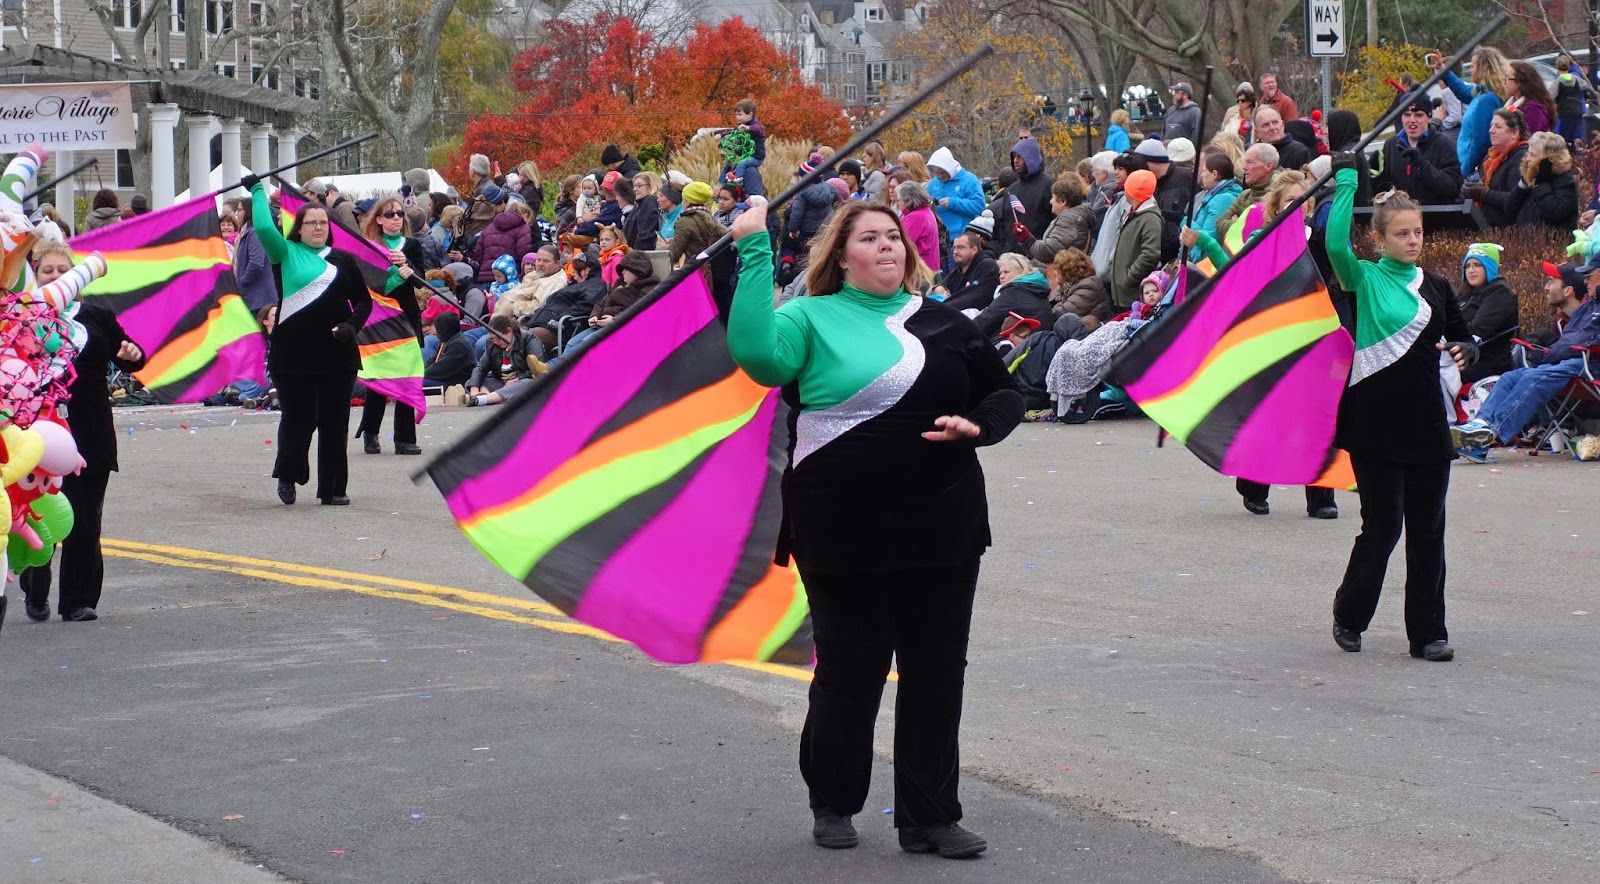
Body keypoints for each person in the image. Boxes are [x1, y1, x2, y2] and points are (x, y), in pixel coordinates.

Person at [726, 197, 1022, 859]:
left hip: (943, 521)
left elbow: (1003, 392)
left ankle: (929, 817)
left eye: (893, 236)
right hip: (841, 523)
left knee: (936, 671)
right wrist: (752, 247)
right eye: (869, 238)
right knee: (851, 669)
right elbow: (758, 358)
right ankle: (833, 801)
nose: (887, 246)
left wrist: (980, 425)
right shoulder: (808, 317)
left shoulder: (945, 321)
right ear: (841, 256)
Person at [1325, 153, 1478, 663]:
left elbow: (1462, 334)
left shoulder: (1436, 286)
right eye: (1402, 234)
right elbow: (1334, 245)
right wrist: (1347, 179)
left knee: (1428, 530)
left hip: (1426, 423)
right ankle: (1350, 614)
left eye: (1418, 232)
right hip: (1375, 423)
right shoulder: (1365, 279)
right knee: (1384, 527)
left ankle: (1428, 633)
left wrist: (1468, 349)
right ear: (1380, 239)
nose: (1414, 241)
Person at [18, 243, 145, 623]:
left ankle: (78, 600)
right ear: (35, 275)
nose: (57, 277)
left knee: (85, 517)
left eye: (63, 270)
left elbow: (132, 354)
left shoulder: (97, 316)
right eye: (48, 271)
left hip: (90, 428)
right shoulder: (22, 317)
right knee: (38, 513)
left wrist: (132, 355)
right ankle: (34, 586)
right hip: (35, 431)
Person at [250, 176, 373, 507]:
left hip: (338, 354)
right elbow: (263, 228)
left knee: (335, 421)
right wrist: (257, 191)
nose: (318, 228)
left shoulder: (344, 260)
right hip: (293, 355)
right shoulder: (285, 253)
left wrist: (350, 327)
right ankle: (288, 475)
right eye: (311, 223)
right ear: (299, 228)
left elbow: (364, 301)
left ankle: (333, 488)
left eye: (323, 222)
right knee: (299, 418)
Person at [1451, 258, 1600, 457]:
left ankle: (1489, 434)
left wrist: (1555, 352)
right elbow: (1569, 340)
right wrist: (1550, 351)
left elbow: (1581, 340)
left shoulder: (1591, 306)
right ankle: (1480, 424)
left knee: (1535, 377)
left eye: (1589, 275)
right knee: (1510, 377)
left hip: (1590, 362)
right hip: (1572, 359)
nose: (1586, 280)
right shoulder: (1588, 306)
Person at [353, 194, 429, 456]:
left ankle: (404, 438)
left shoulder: (412, 245)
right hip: (380, 319)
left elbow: (421, 279)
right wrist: (393, 276)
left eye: (399, 213)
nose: (396, 218)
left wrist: (408, 268)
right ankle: (370, 432)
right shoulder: (371, 248)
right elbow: (369, 285)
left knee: (407, 375)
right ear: (378, 219)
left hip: (407, 315)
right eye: (389, 214)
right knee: (381, 374)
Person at [1432, 47, 1510, 178]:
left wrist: (1463, 172)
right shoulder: (1483, 92)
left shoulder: (1487, 100)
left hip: (1472, 169)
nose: (1470, 70)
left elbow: (1480, 143)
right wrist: (1443, 70)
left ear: (1483, 69)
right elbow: (1462, 91)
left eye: (1473, 66)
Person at [1373, 95, 1464, 206]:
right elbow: (1383, 188)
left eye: (1419, 115)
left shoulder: (1443, 144)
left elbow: (1453, 188)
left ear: (1429, 118)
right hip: (1401, 213)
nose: (1412, 120)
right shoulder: (1391, 144)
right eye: (1407, 115)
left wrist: (1423, 166)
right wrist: (1373, 175)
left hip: (1435, 213)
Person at [1455, 243, 1518, 383]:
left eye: (1477, 265)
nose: (1471, 270)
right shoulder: (1465, 293)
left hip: (1485, 363)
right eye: (1468, 266)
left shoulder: (1500, 292)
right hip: (1461, 356)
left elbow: (1478, 330)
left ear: (1489, 267)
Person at [1462, 109, 1529, 227]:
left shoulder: (1521, 157)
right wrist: (1468, 187)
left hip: (1506, 230)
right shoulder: (1490, 156)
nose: (1491, 130)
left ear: (1514, 133)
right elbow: (1479, 181)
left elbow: (1515, 198)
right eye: (1491, 125)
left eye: (1498, 127)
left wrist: (1484, 193)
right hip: (1484, 223)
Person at [1499, 131, 1579, 231]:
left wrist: (1540, 184)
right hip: (1525, 238)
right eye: (1528, 153)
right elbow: (1509, 208)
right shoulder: (1531, 177)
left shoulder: (1565, 181)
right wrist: (1522, 185)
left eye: (1533, 155)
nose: (1528, 159)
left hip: (1550, 240)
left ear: (1548, 159)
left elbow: (1555, 213)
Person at [464, 314, 546, 406]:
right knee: (475, 381)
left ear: (509, 332)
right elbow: (481, 367)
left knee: (528, 384)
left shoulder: (529, 340)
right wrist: (474, 389)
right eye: (492, 339)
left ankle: (482, 399)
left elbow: (537, 369)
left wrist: (516, 379)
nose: (495, 341)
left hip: (521, 380)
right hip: (501, 381)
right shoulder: (491, 344)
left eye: (497, 338)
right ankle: (484, 396)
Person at [1108, 170, 1161, 310]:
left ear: (1131, 192)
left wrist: (1129, 278)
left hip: (1133, 296)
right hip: (1123, 294)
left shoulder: (1150, 218)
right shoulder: (1136, 213)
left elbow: (1150, 254)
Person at [974, 252, 1053, 339]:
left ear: (1021, 272)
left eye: (1006, 272)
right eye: (1000, 273)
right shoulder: (1034, 288)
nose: (1001, 277)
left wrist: (966, 330)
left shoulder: (1015, 290)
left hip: (1023, 343)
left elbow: (987, 318)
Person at [996, 137, 1053, 254]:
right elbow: (1003, 223)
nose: (1015, 161)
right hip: (1012, 255)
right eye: (1014, 157)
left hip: (1038, 254)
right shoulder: (1011, 189)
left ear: (1030, 157)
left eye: (1019, 157)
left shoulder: (1049, 186)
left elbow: (1056, 221)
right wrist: (1005, 246)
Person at [1024, 173, 1094, 263]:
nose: (1050, 201)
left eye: (1053, 198)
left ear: (1063, 201)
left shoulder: (1069, 220)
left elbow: (1048, 251)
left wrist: (1027, 239)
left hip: (1058, 270)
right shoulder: (1073, 217)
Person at [1216, 143, 1278, 236]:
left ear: (1268, 166)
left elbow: (1264, 234)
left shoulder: (1279, 197)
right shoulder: (1244, 195)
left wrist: (1238, 223)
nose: (1244, 167)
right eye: (1245, 162)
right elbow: (1220, 224)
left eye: (1250, 162)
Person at [925, 147, 985, 240]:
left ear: (949, 169)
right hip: (939, 238)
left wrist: (953, 203)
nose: (940, 176)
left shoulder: (969, 180)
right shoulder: (933, 183)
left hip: (963, 238)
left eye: (942, 173)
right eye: (937, 173)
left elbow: (979, 206)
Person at [935, 232, 1000, 311]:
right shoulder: (957, 272)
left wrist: (943, 307)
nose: (955, 252)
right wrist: (938, 289)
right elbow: (938, 288)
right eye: (954, 248)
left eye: (960, 247)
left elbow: (976, 298)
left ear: (974, 249)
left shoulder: (988, 266)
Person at [670, 181, 726, 269]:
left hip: (688, 269)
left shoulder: (684, 221)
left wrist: (666, 248)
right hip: (705, 268)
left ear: (687, 200)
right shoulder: (710, 217)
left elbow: (674, 253)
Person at [1191, 150, 1242, 240]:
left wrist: (1184, 221)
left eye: (1204, 171)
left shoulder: (1222, 200)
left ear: (1214, 174)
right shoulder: (1215, 194)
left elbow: (1208, 238)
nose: (1202, 175)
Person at [1047, 247, 1109, 320]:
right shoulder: (1063, 287)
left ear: (1068, 271)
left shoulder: (1089, 287)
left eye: (1057, 269)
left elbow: (1062, 313)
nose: (1054, 273)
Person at [895, 181, 941, 274]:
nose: (898, 203)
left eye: (899, 200)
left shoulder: (915, 217)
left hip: (921, 269)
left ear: (907, 200)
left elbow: (902, 243)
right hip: (929, 266)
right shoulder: (926, 211)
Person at [1503, 60, 1557, 134]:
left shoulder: (1532, 109)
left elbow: (1530, 137)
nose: (1504, 82)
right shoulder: (1513, 103)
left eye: (1507, 78)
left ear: (1520, 82)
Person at [1254, 106, 1312, 171]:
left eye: (1275, 122)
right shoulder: (1253, 155)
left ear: (1282, 125)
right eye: (1266, 124)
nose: (1272, 128)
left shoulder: (1299, 152)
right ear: (1257, 132)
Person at [623, 173, 660, 250]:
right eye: (634, 186)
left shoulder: (649, 202)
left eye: (639, 185)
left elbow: (645, 234)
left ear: (651, 185)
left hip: (640, 253)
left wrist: (637, 253)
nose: (634, 189)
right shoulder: (639, 204)